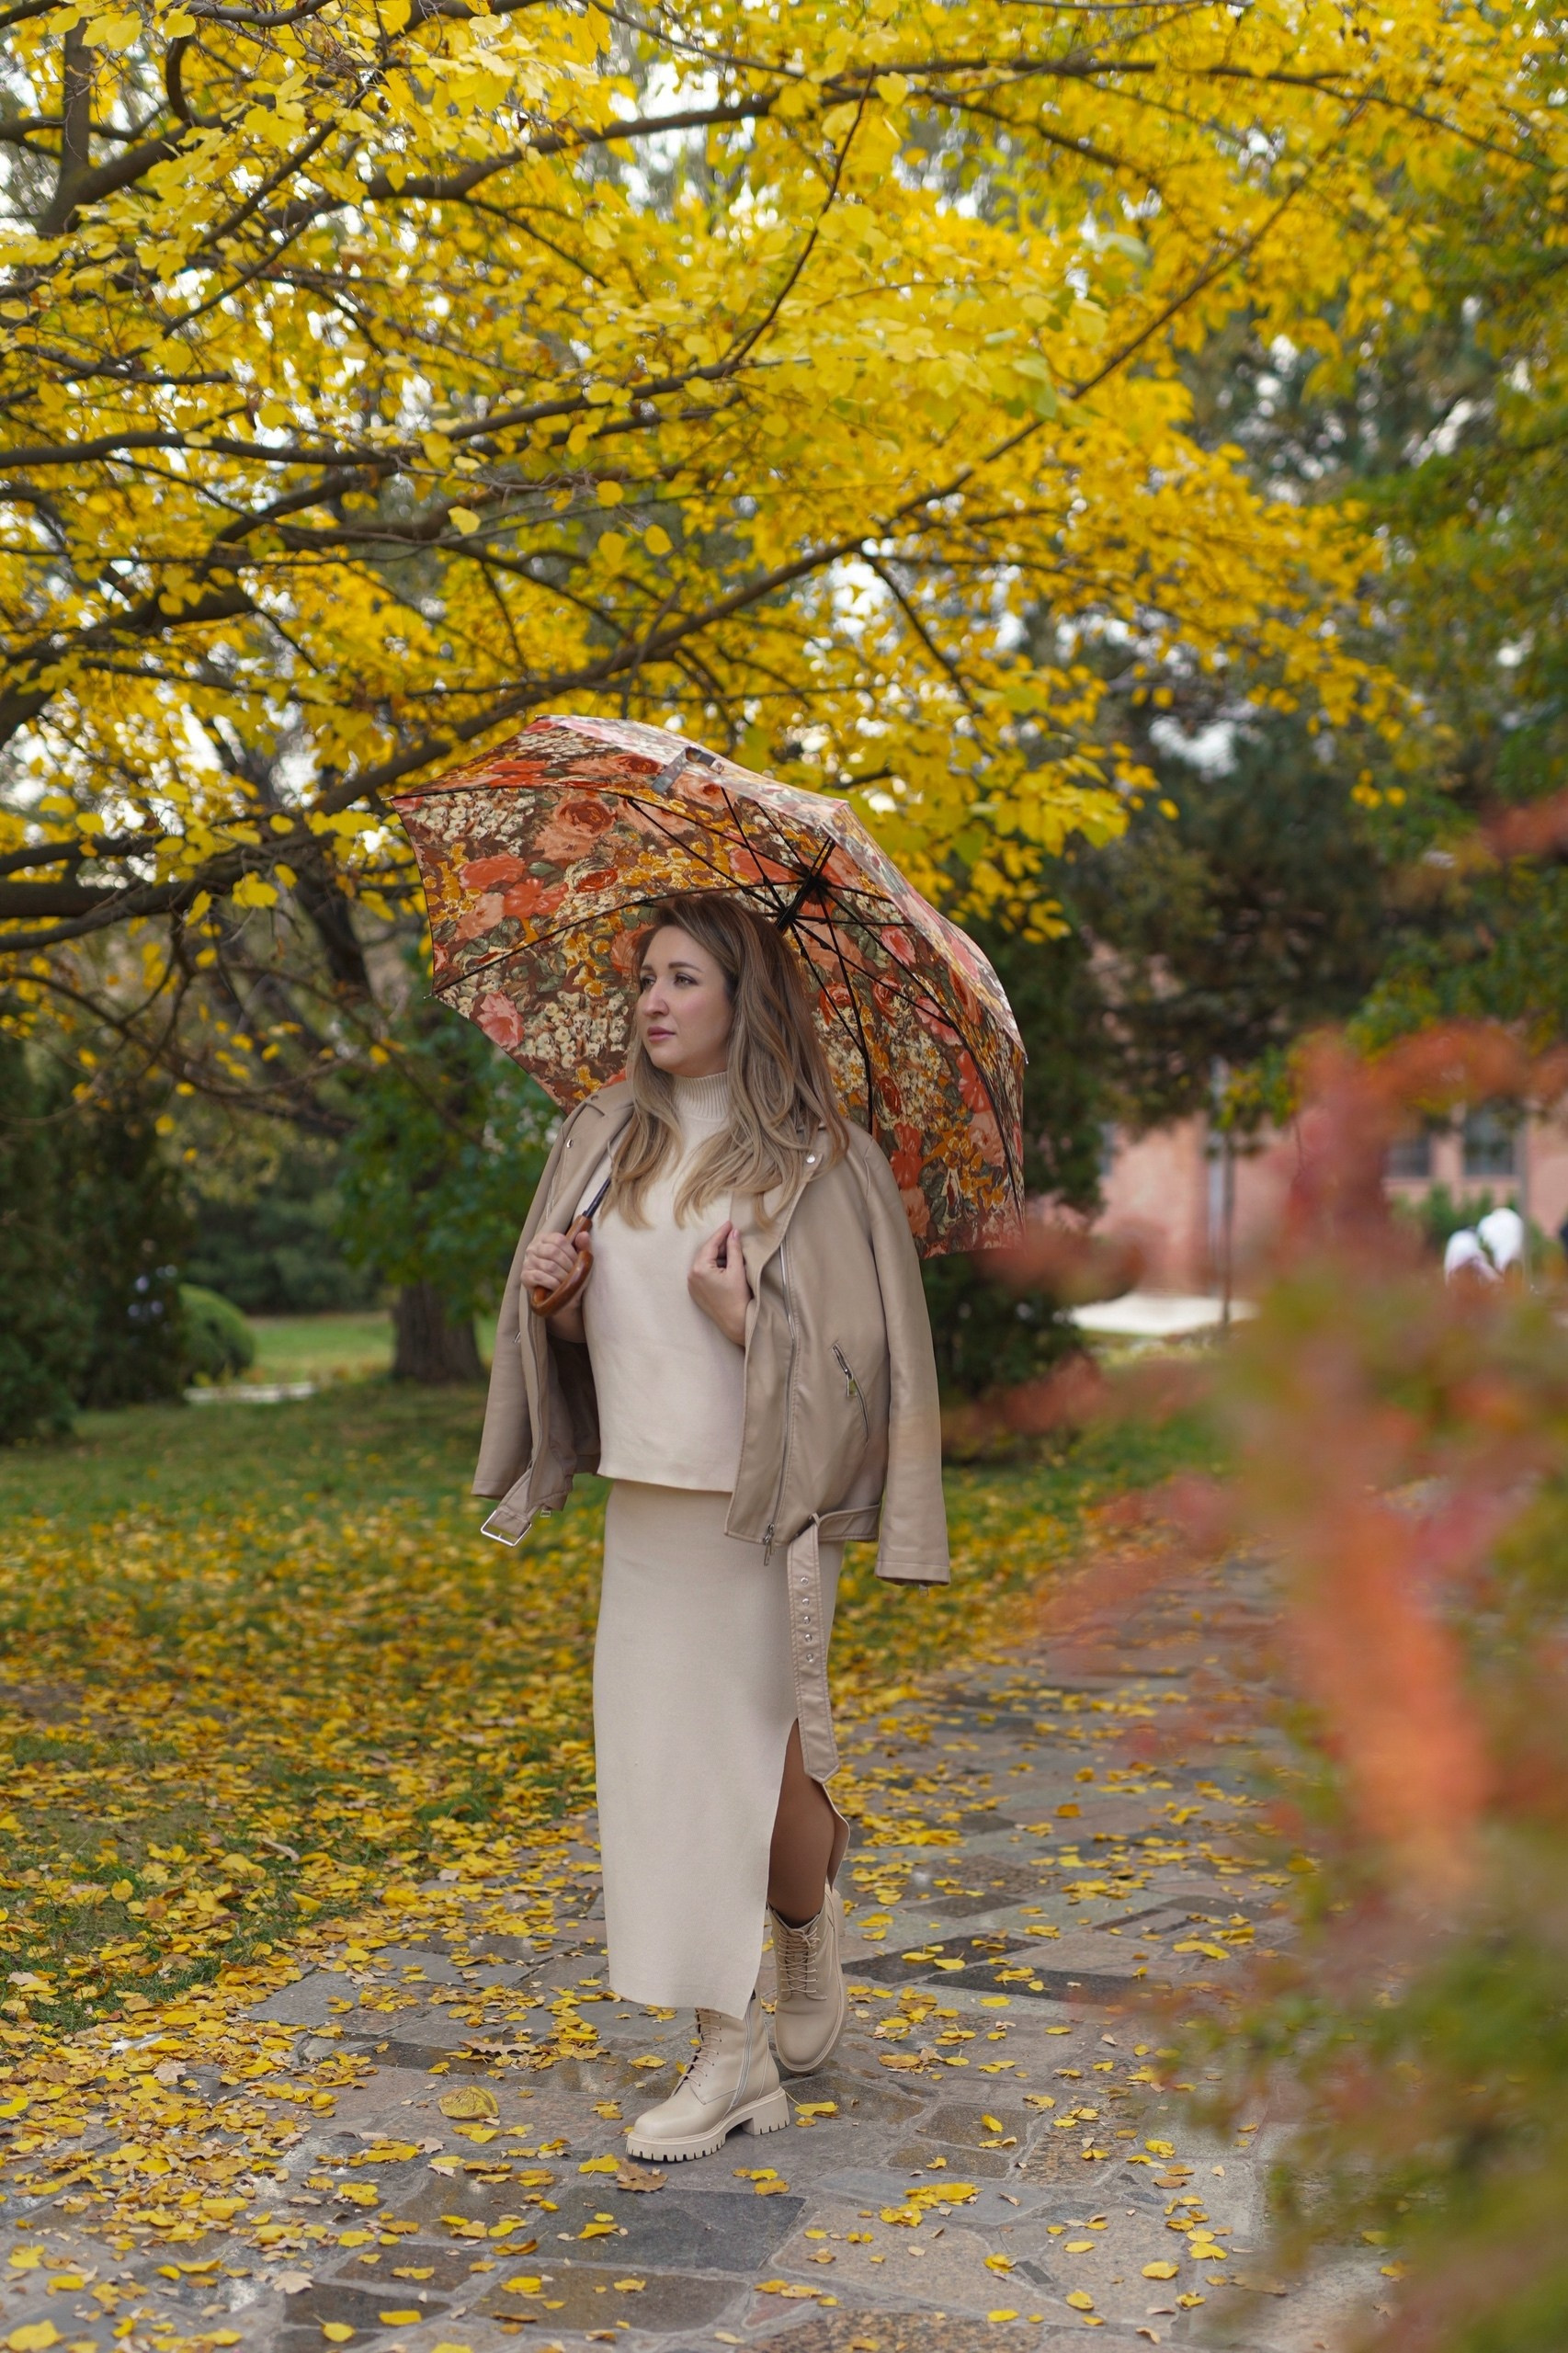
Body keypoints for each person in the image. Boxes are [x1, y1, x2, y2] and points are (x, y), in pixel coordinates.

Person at [472, 892, 948, 2161]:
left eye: (683, 978)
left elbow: (859, 1367)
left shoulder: (817, 1159)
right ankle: (781, 1956)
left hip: (760, 1509)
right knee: (663, 1768)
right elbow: (589, 1329)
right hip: (646, 1496)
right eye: (645, 979)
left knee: (734, 1766)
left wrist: (750, 1326)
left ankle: (729, 2057)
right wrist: (558, 1302)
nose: (653, 1002)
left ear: (746, 1000)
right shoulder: (603, 1136)